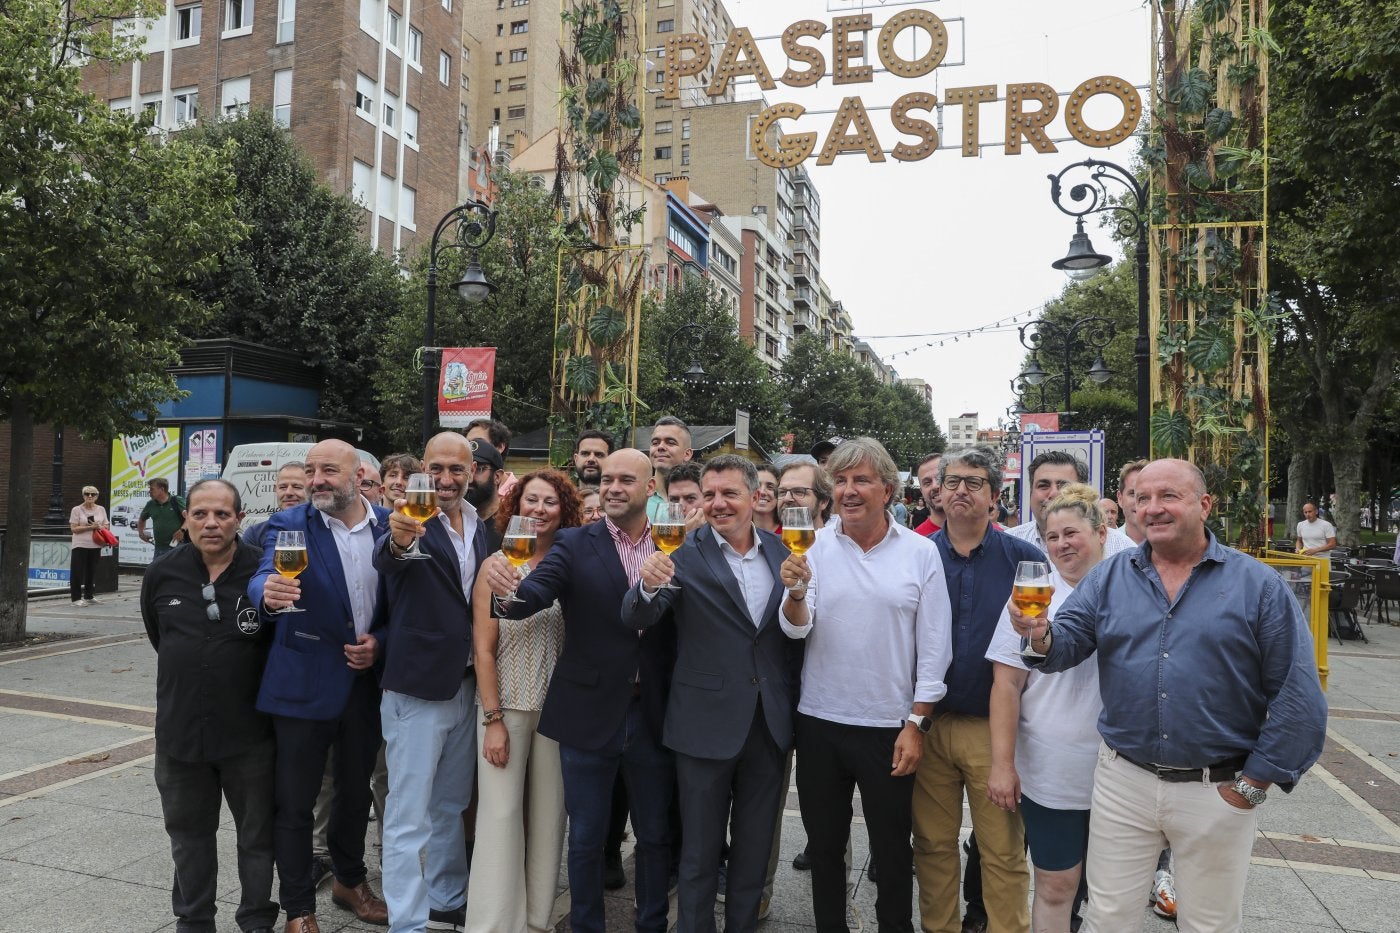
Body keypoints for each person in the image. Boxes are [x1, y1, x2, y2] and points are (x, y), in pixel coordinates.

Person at [1011, 458, 1329, 932]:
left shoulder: (1257, 585)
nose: (1152, 509)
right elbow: (1066, 643)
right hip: (1124, 782)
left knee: (1210, 924)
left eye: (1168, 497)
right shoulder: (1111, 576)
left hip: (1215, 787)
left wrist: (1252, 785)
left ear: (1204, 505)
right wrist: (1039, 634)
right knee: (1108, 919)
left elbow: (1298, 695)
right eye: (1142, 499)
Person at [482, 448, 676, 933]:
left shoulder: (674, 543)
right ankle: (587, 926)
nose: (612, 487)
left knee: (654, 834)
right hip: (588, 708)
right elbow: (532, 596)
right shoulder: (573, 542)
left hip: (652, 709)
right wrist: (504, 590)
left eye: (625, 479)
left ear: (649, 488)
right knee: (586, 837)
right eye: (606, 478)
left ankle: (651, 922)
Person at [779, 436, 952, 933]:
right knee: (825, 849)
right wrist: (794, 593)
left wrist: (917, 722)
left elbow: (936, 648)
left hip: (890, 727)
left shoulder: (920, 553)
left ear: (889, 489)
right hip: (820, 723)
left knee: (894, 853)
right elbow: (795, 627)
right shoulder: (811, 546)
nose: (849, 491)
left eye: (862, 480)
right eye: (841, 480)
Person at [623, 455, 793, 933]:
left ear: (756, 497)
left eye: (729, 493)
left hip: (767, 725)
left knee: (753, 854)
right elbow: (636, 618)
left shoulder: (783, 553)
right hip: (701, 724)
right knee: (698, 856)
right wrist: (647, 587)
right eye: (710, 494)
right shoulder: (680, 552)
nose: (718, 504)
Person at [249, 439, 391, 933]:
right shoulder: (291, 524)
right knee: (295, 801)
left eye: (328, 470)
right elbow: (265, 573)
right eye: (310, 471)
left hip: (364, 685)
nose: (316, 480)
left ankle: (350, 881)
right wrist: (265, 593)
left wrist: (382, 643)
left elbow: (405, 605)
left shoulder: (393, 526)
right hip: (302, 683)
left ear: (360, 475)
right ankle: (298, 909)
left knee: (355, 794)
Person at [914, 445, 1043, 933]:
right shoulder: (917, 554)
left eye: (973, 482)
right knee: (931, 845)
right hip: (928, 722)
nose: (960, 490)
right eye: (952, 482)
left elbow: (1041, 643)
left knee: (1003, 850)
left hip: (995, 730)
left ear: (994, 495)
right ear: (939, 493)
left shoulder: (1025, 559)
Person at [142, 478, 279, 933]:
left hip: (250, 737)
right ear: (186, 518)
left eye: (222, 514)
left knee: (257, 837)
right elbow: (160, 637)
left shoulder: (264, 571)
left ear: (240, 519)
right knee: (188, 837)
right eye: (200, 513)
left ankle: (257, 919)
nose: (211, 522)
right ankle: (194, 920)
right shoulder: (163, 573)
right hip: (181, 736)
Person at [376, 432, 492, 933]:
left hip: (466, 684)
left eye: (457, 470)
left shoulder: (481, 527)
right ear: (422, 469)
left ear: (473, 473)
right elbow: (391, 555)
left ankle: (447, 902)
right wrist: (400, 539)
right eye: (437, 469)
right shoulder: (408, 519)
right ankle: (406, 920)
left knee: (451, 805)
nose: (446, 480)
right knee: (408, 814)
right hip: (418, 687)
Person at [986, 484, 1108, 933]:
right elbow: (1006, 683)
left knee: (1112, 892)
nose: (1062, 545)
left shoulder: (1131, 584)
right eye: (1051, 537)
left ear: (1101, 531)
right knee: (1056, 886)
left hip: (1122, 769)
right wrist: (1002, 764)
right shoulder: (1031, 595)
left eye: (1071, 533)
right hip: (1052, 767)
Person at [466, 470, 580, 933]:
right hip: (505, 705)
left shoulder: (573, 563)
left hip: (558, 711)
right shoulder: (495, 565)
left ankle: (536, 921)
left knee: (550, 816)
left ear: (563, 510)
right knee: (500, 814)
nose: (538, 509)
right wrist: (492, 719)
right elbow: (483, 649)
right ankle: (493, 924)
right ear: (516, 507)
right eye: (530, 500)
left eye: (549, 502)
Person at [243, 461, 308, 549]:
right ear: (275, 489)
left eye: (297, 487)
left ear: (311, 489)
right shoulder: (255, 534)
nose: (288, 493)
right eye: (282, 487)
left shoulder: (323, 531)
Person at [647, 415, 694, 521]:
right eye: (655, 443)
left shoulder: (703, 497)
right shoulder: (639, 497)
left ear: (687, 454)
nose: (660, 447)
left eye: (670, 442)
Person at [69, 485, 109, 606]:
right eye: (87, 494)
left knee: (91, 571)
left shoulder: (101, 509)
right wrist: (90, 527)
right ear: (83, 496)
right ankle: (76, 598)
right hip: (80, 544)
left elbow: (106, 525)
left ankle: (89, 595)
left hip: (96, 544)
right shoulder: (77, 509)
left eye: (93, 494)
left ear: (97, 496)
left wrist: (101, 527)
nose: (90, 496)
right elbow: (74, 528)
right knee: (77, 571)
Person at [467, 437, 507, 552]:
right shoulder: (452, 522)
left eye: (478, 469)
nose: (470, 478)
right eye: (465, 469)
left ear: (497, 477)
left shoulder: (510, 524)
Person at [467, 417, 517, 499]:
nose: (471, 448)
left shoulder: (520, 494)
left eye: (479, 442)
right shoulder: (462, 491)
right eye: (467, 443)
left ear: (500, 447)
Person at [139, 477, 187, 557]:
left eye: (152, 489)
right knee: (158, 569)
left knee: (177, 569)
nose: (149, 492)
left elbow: (190, 517)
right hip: (159, 549)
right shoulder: (150, 504)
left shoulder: (176, 501)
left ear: (162, 489)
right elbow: (141, 519)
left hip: (178, 547)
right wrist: (141, 533)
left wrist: (182, 530)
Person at [776, 460, 833, 528]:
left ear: (823, 501)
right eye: (782, 492)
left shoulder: (841, 538)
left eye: (798, 492)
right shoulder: (768, 538)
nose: (786, 498)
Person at [1116, 460, 1148, 545]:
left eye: (1145, 495)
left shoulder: (1171, 545)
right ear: (1120, 498)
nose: (1138, 501)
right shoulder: (1103, 545)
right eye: (1132, 493)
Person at [913, 454, 944, 536]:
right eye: (927, 483)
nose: (935, 486)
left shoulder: (977, 529)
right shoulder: (916, 540)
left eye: (940, 478)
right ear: (921, 491)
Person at [753, 463, 781, 533]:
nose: (762, 492)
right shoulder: (735, 532)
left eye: (770, 487)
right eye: (756, 485)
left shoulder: (790, 533)